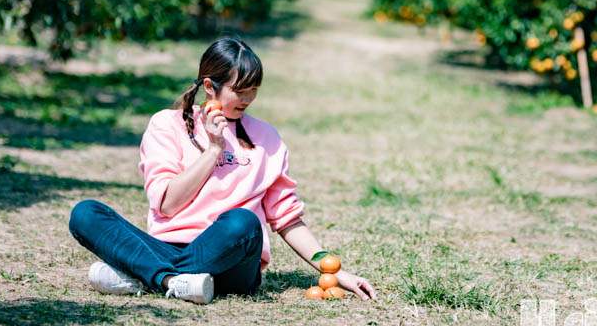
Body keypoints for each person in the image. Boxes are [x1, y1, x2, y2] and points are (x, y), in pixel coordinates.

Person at [68, 37, 377, 304]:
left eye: (254, 90)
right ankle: (171, 282)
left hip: (233, 265)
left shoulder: (266, 138)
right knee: (86, 213)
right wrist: (214, 149)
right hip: (168, 245)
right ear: (209, 86)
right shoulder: (167, 125)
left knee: (242, 221)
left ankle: (146, 275)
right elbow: (167, 203)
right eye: (239, 90)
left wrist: (332, 270)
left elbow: (286, 217)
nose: (248, 99)